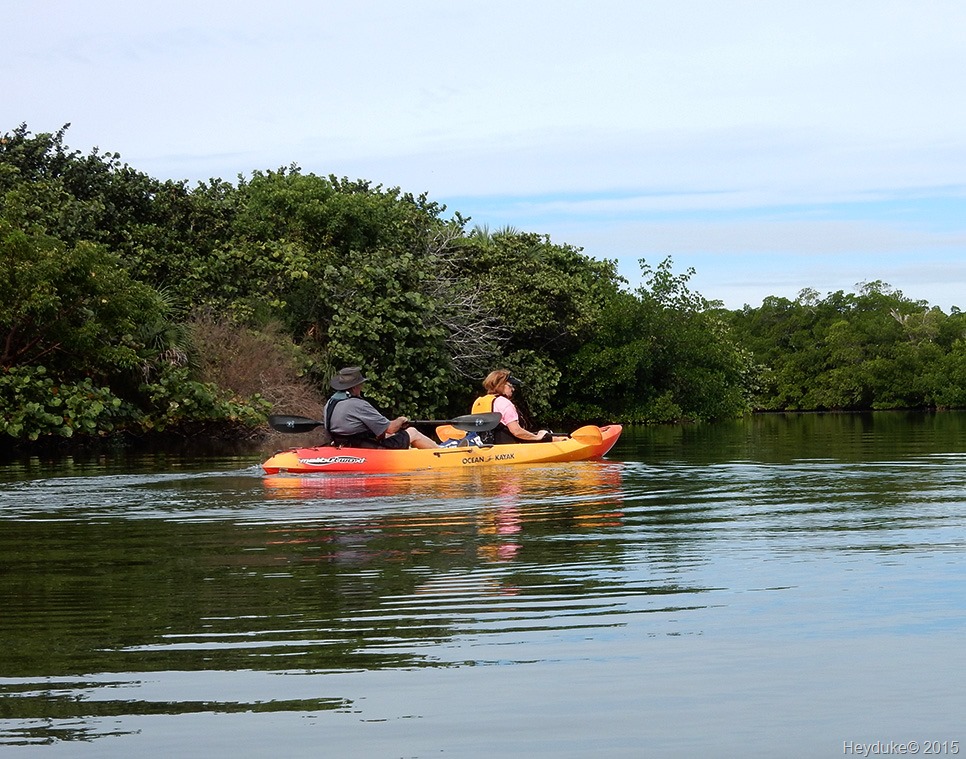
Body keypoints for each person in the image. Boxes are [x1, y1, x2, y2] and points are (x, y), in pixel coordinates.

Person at [324, 367, 438, 449]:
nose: (361, 387)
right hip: (363, 448)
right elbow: (391, 428)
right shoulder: (358, 405)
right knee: (412, 432)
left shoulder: (330, 403)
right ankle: (442, 453)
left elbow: (381, 432)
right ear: (354, 387)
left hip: (341, 445)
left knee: (390, 436)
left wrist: (383, 434)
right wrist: (401, 420)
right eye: (360, 384)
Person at [471, 369, 560, 444]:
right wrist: (538, 437)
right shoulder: (504, 403)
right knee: (557, 440)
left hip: (485, 445)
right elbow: (516, 431)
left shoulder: (479, 402)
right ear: (500, 385)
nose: (513, 389)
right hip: (509, 449)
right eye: (510, 386)